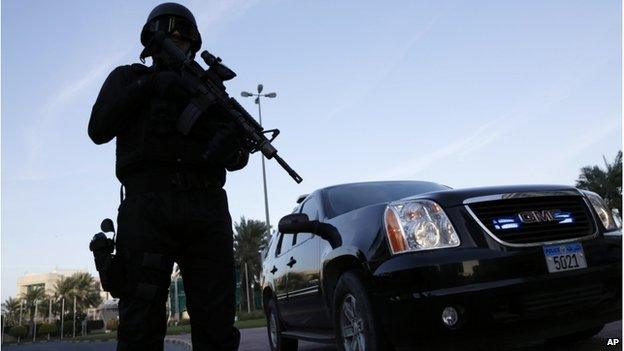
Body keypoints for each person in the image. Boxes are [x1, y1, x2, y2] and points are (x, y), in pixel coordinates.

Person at [88, 3, 245, 350]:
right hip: (147, 207)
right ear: (152, 42)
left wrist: (229, 144)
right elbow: (98, 129)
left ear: (193, 44)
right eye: (170, 37)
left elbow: (238, 158)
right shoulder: (130, 78)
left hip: (205, 206)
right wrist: (152, 87)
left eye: (183, 39)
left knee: (216, 322)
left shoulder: (209, 92)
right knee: (140, 321)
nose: (178, 44)